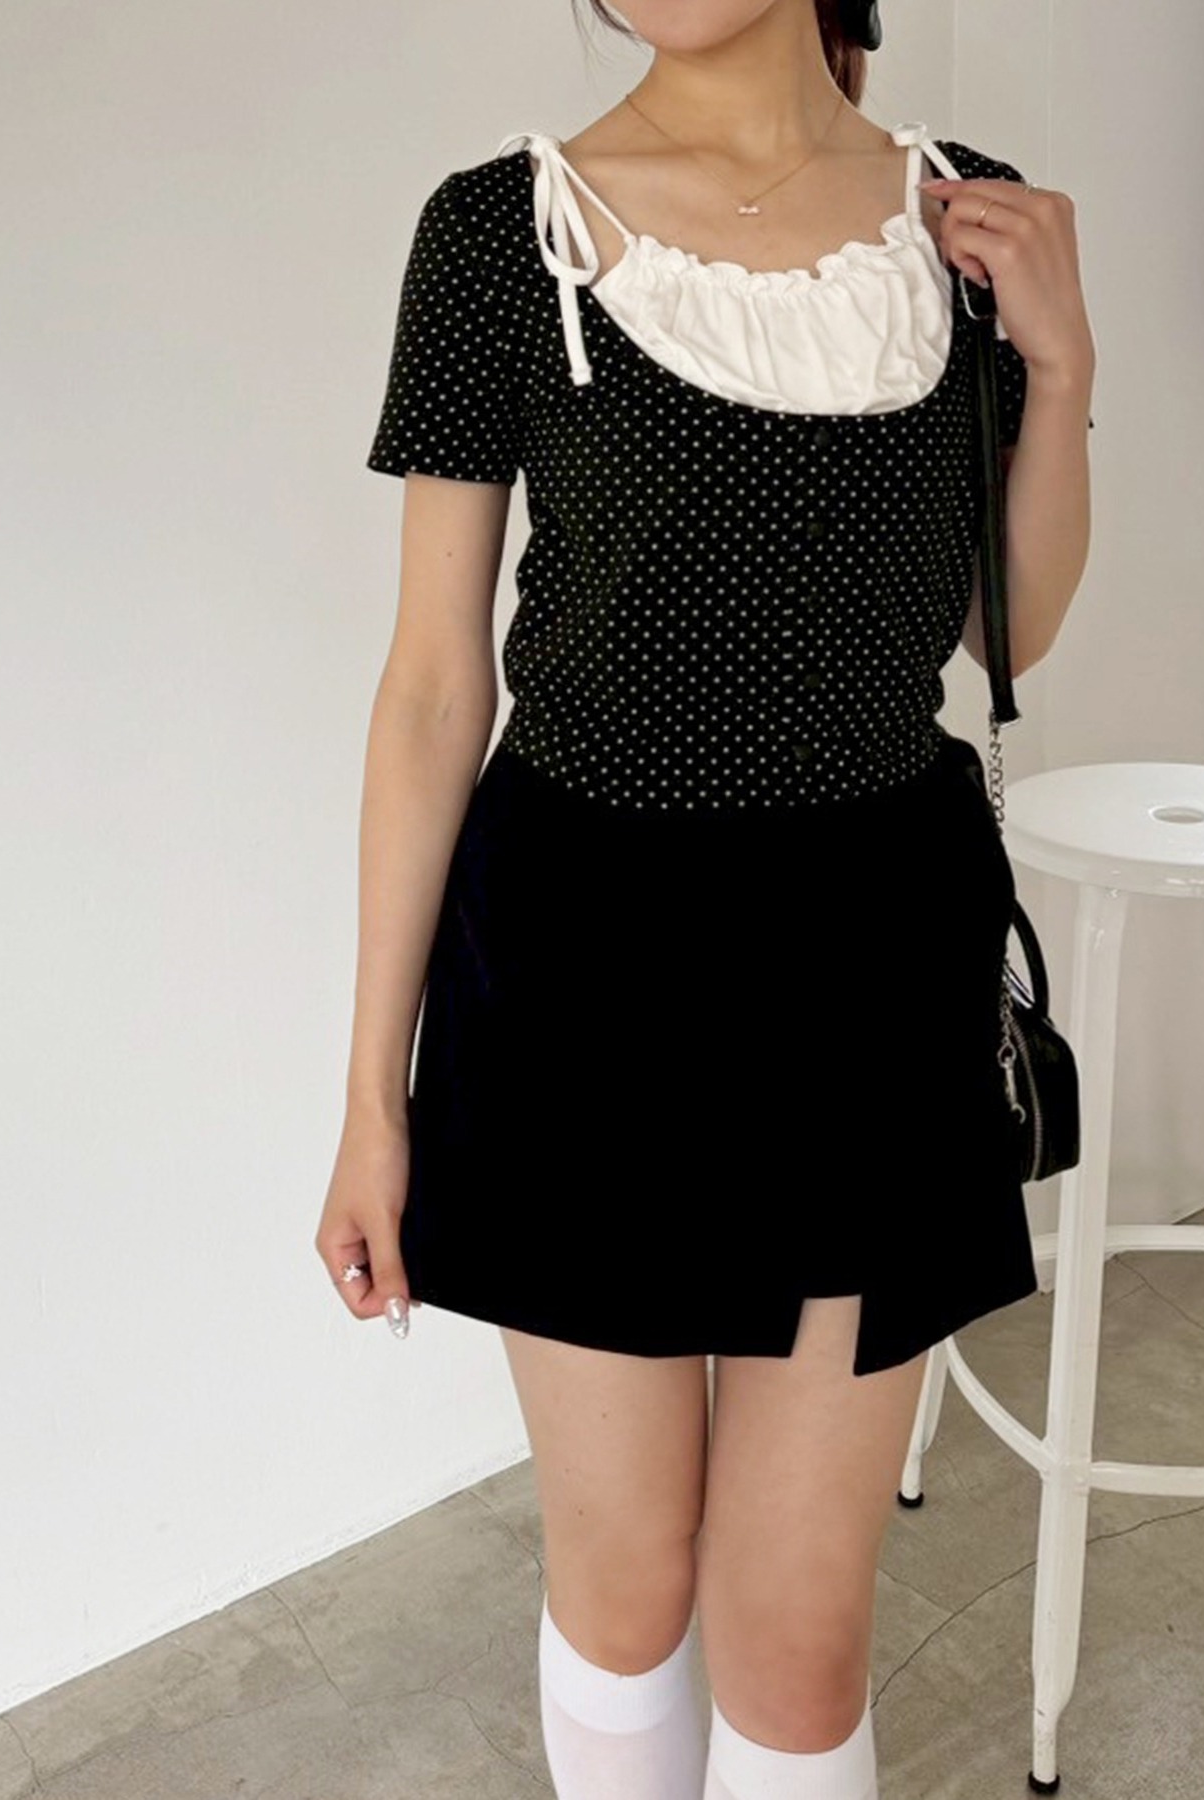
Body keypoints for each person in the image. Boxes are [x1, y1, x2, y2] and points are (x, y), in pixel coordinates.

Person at [316, 1, 1095, 1793]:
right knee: (625, 1585)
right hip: (579, 975)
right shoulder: (502, 232)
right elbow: (432, 688)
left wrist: (1062, 376)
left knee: (797, 1638)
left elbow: (1011, 632)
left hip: (874, 969)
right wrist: (371, 1101)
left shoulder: (967, 216)